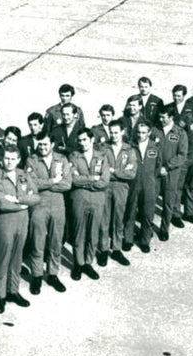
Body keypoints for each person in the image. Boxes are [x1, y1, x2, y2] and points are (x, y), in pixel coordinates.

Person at [0, 145, 41, 313]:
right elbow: (2, 203)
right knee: (4, 257)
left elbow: (36, 197)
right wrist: (22, 205)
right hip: (5, 221)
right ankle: (1, 295)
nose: (9, 162)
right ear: (1, 159)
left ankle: (13, 291)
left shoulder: (24, 175)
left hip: (22, 221)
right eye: (6, 158)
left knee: (17, 257)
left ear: (18, 160)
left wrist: (17, 198)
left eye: (13, 158)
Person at [25, 132, 71, 294]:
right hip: (39, 205)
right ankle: (36, 276)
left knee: (56, 242)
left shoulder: (62, 159)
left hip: (58, 204)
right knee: (37, 242)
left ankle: (52, 274)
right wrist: (52, 181)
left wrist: (44, 184)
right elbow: (31, 184)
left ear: (52, 144)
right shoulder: (32, 160)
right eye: (40, 144)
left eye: (45, 144)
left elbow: (66, 184)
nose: (42, 147)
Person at [68, 128, 110, 280]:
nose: (82, 143)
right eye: (79, 140)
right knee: (79, 232)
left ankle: (88, 262)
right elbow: (72, 179)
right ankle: (78, 264)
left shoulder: (102, 157)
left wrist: (84, 181)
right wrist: (92, 178)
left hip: (98, 199)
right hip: (79, 198)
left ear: (92, 140)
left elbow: (105, 181)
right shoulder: (74, 156)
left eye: (85, 140)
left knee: (93, 232)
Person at [100, 120, 136, 265]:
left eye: (116, 132)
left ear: (122, 132)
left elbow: (131, 173)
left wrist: (113, 171)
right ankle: (103, 249)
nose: (113, 135)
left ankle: (116, 249)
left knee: (118, 218)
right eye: (111, 132)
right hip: (106, 186)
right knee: (104, 219)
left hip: (121, 188)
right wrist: (120, 172)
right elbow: (100, 169)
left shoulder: (129, 150)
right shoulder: (103, 148)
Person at [152, 106, 188, 239]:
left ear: (171, 117)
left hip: (171, 173)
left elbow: (182, 155)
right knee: (151, 200)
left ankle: (164, 229)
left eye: (163, 117)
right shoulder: (154, 131)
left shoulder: (180, 133)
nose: (161, 119)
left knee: (168, 202)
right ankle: (148, 228)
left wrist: (167, 167)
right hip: (155, 172)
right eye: (160, 117)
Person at [126, 122, 162, 253]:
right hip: (133, 184)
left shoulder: (155, 148)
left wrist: (150, 179)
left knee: (147, 214)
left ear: (149, 133)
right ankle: (128, 239)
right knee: (130, 212)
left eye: (143, 133)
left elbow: (158, 166)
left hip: (149, 185)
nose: (140, 135)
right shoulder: (130, 147)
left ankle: (145, 240)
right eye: (138, 132)